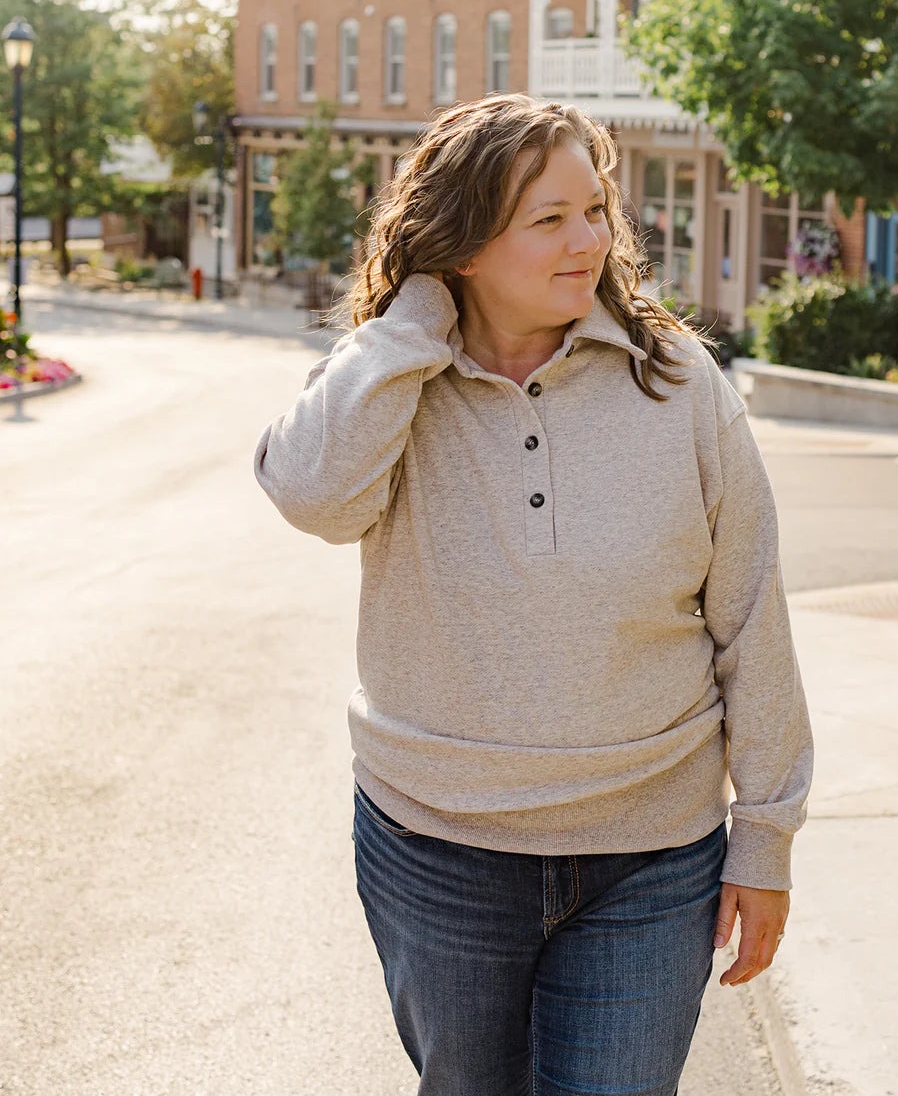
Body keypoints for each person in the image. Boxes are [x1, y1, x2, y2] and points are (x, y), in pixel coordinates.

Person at [253, 94, 813, 1096]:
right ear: (462, 243)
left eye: (595, 210)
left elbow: (750, 616)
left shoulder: (678, 383)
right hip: (438, 846)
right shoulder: (391, 383)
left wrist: (763, 839)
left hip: (651, 856)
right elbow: (311, 498)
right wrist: (412, 321)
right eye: (548, 219)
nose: (589, 240)